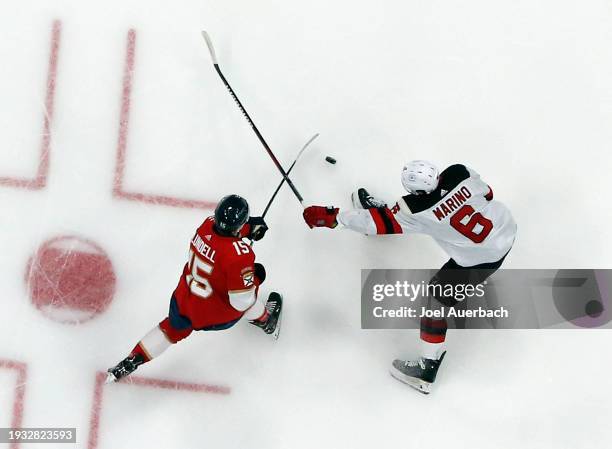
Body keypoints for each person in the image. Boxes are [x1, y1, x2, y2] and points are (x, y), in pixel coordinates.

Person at [302, 160, 517, 394]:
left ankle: (426, 368)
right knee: (400, 220)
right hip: (506, 229)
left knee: (435, 301)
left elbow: (374, 223)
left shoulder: (415, 210)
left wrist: (334, 217)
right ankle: (390, 215)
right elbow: (488, 194)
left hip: (481, 260)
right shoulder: (459, 172)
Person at [107, 194, 282, 383]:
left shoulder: (206, 225)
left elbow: (220, 237)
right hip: (214, 313)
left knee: (171, 329)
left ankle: (131, 361)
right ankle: (267, 321)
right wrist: (256, 278)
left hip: (185, 298)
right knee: (253, 287)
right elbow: (241, 302)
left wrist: (247, 229)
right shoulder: (240, 255)